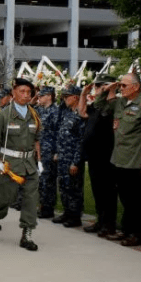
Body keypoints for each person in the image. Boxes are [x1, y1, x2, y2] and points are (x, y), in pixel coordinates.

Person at [95, 73, 141, 246]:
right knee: (125, 198)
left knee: (135, 200)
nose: (121, 88)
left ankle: (138, 234)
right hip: (119, 158)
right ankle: (127, 231)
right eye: (120, 86)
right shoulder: (120, 103)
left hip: (135, 159)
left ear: (136, 87)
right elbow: (99, 106)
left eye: (124, 85)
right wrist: (108, 90)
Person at [0, 78, 43, 251]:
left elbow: (36, 140)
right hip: (9, 166)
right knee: (3, 198)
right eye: (22, 91)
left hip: (29, 165)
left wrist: (39, 162)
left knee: (31, 200)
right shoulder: (5, 114)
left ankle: (27, 234)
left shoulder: (34, 114)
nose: (26, 95)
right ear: (13, 92)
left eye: (29, 92)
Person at [78, 74, 118, 237]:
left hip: (106, 155)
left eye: (99, 86)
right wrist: (82, 94)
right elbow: (82, 113)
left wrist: (108, 91)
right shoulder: (97, 105)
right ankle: (101, 221)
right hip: (94, 155)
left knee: (108, 191)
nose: (96, 89)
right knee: (97, 190)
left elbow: (110, 107)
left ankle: (109, 224)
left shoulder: (112, 104)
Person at [52, 85, 86, 227]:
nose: (64, 99)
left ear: (76, 97)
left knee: (74, 188)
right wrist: (58, 153)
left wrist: (76, 162)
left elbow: (81, 141)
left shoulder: (81, 115)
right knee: (64, 187)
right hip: (63, 157)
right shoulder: (67, 113)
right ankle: (67, 212)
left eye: (67, 97)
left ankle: (75, 216)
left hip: (73, 158)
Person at [35, 86, 59, 219]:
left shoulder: (55, 111)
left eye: (41, 96)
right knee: (41, 179)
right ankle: (42, 205)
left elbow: (57, 132)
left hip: (49, 150)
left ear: (49, 96)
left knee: (48, 180)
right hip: (40, 150)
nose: (39, 98)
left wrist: (56, 151)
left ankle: (48, 208)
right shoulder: (39, 110)